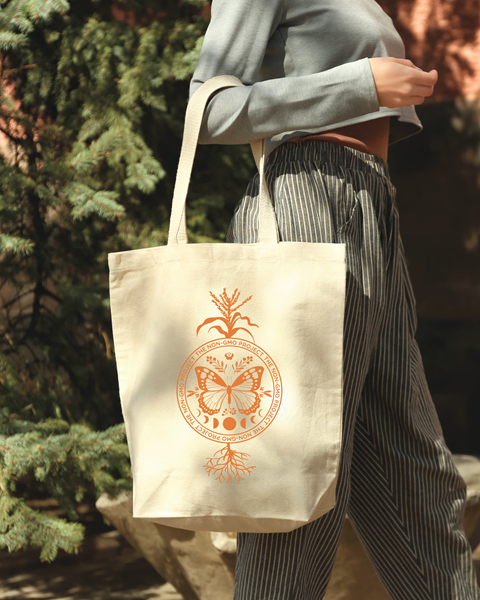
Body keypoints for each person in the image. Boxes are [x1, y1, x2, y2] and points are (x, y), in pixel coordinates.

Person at [190, 1, 480, 599]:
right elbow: (211, 109)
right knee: (298, 477)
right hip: (305, 193)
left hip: (370, 196)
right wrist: (362, 83)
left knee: (417, 474)